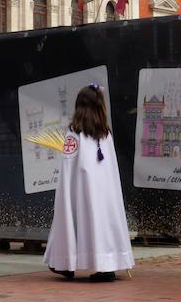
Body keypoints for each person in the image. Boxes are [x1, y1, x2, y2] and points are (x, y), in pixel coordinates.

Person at [44, 84, 134, 282]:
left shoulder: (74, 134)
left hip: (79, 193)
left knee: (75, 219)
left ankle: (67, 262)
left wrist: (68, 193)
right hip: (105, 194)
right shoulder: (106, 134)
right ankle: (106, 266)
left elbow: (69, 169)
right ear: (100, 107)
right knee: (103, 222)